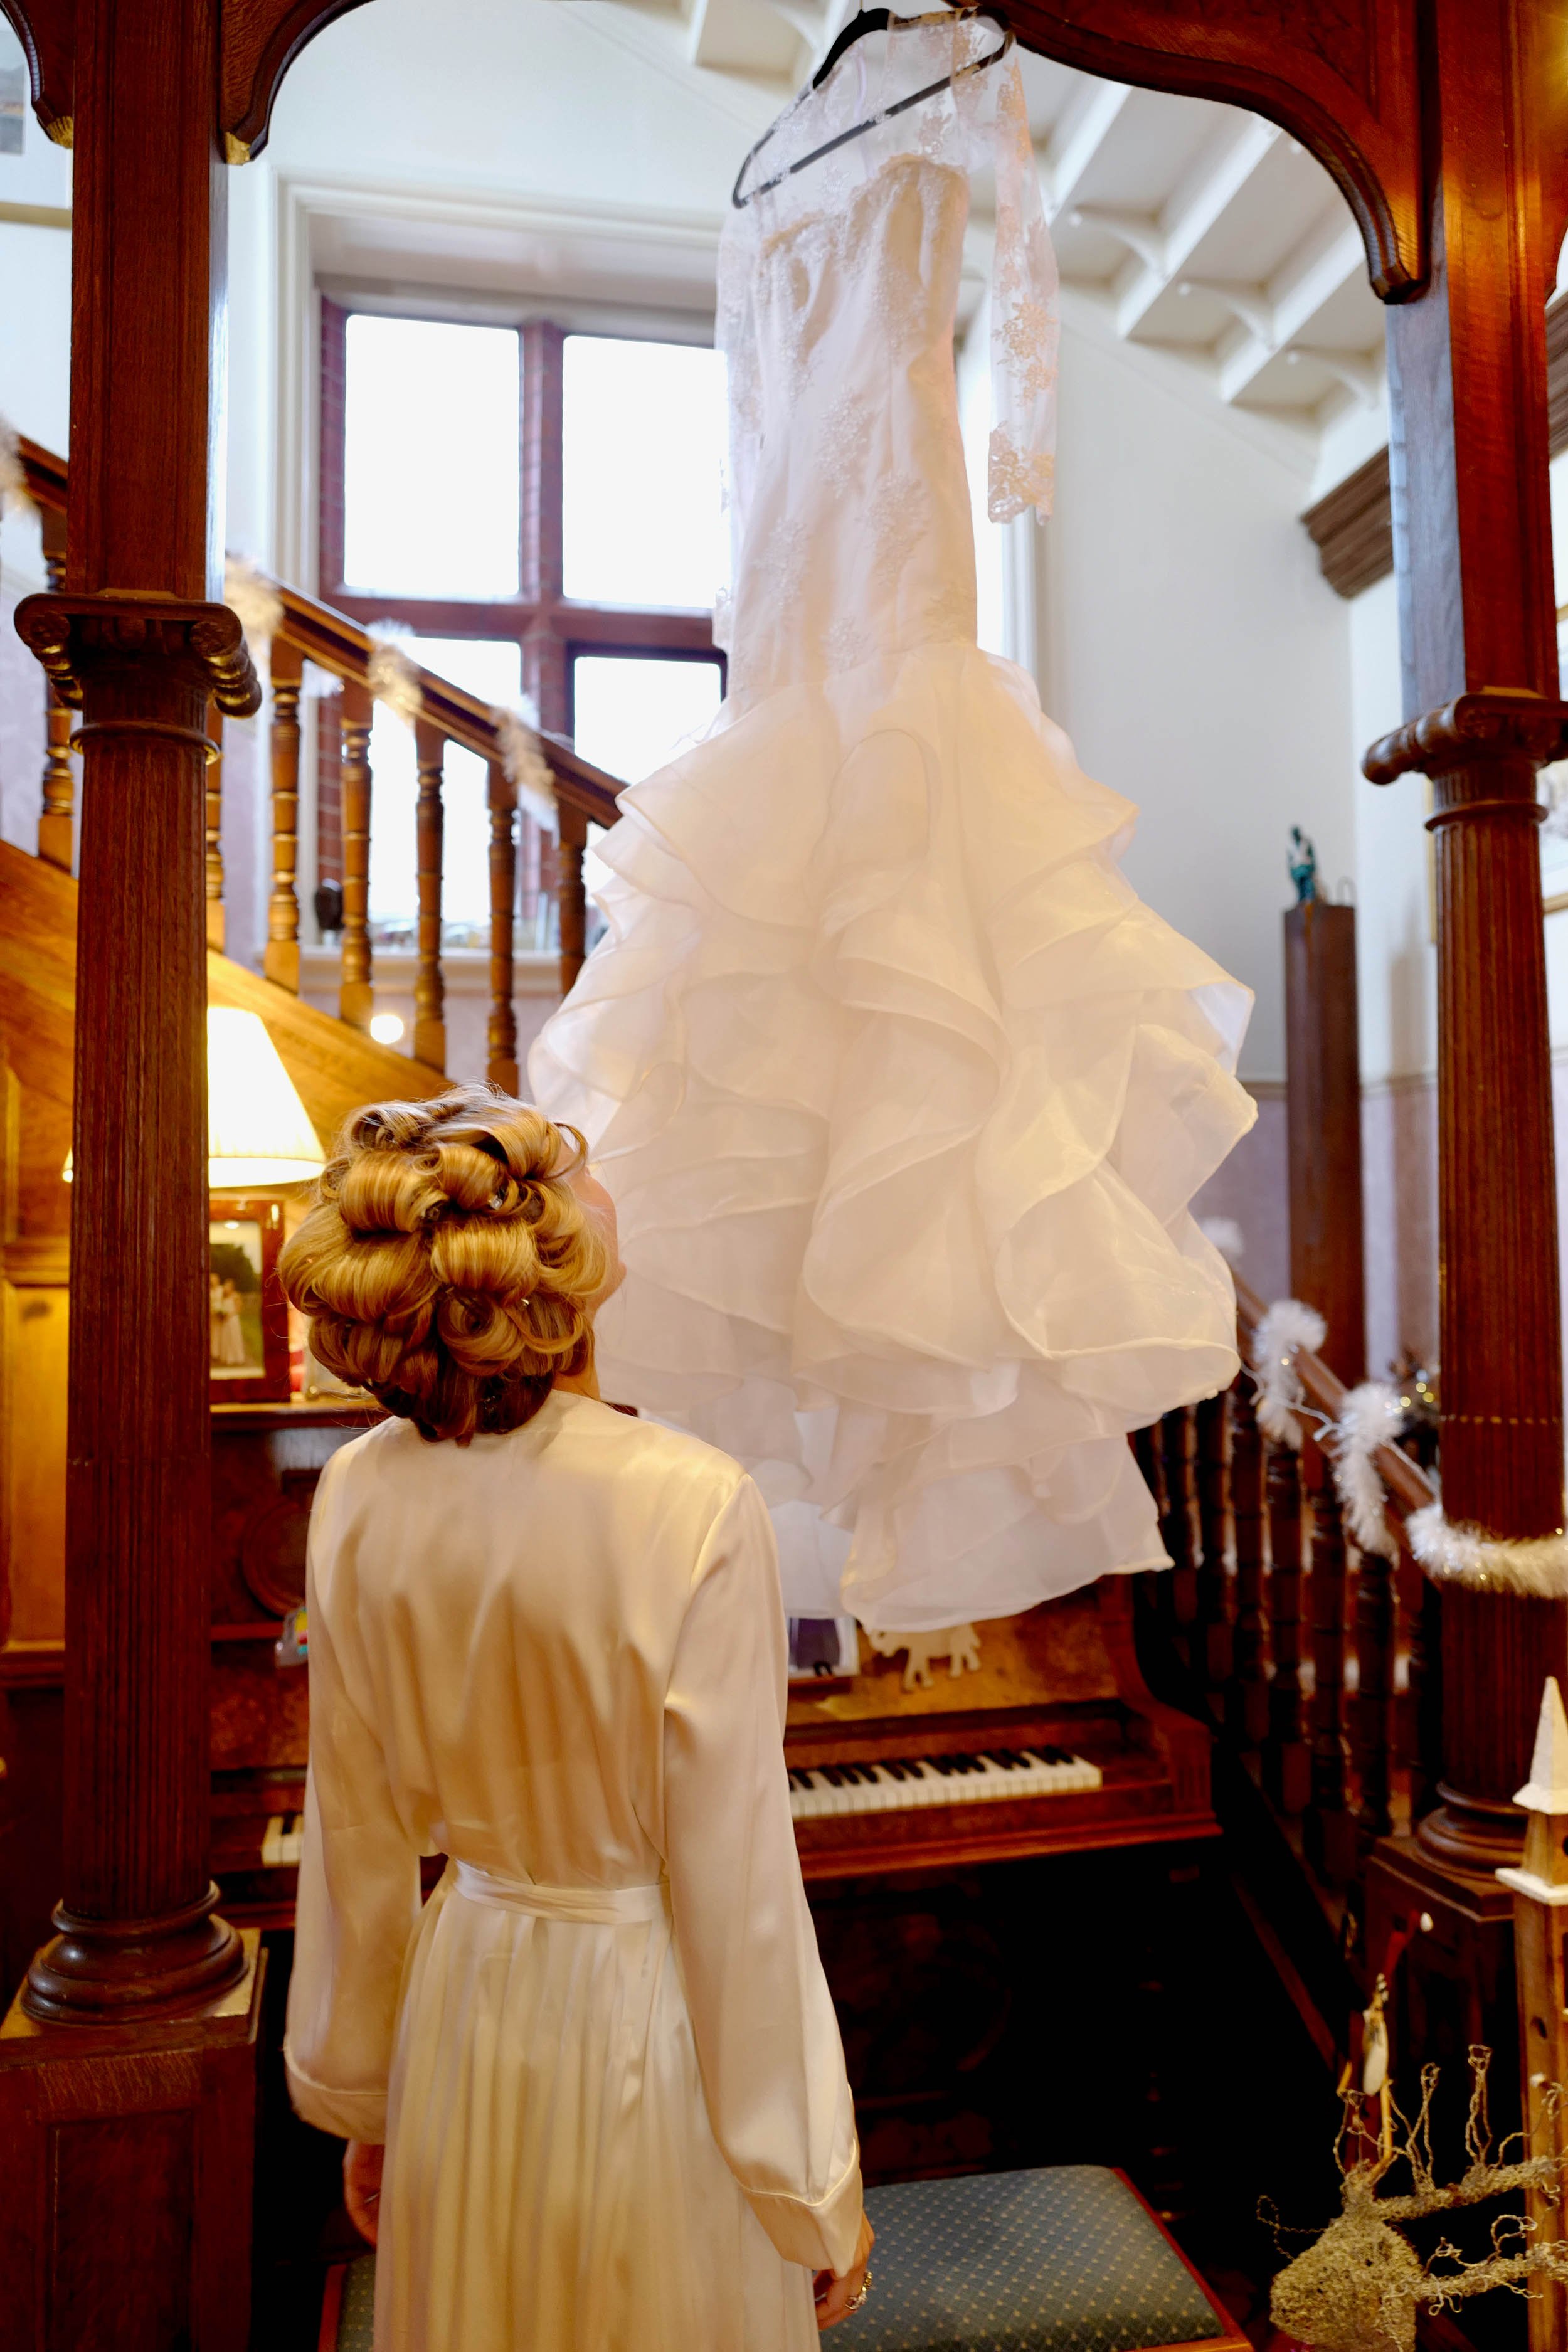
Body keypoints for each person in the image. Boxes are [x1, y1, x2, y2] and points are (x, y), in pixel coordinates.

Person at [278, 1084, 872, 2351]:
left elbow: (355, 1835)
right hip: (641, 2016)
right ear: (570, 1263)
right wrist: (808, 2184)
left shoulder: (356, 1490)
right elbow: (738, 1893)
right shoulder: (692, 1500)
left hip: (460, 2002)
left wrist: (367, 2097)